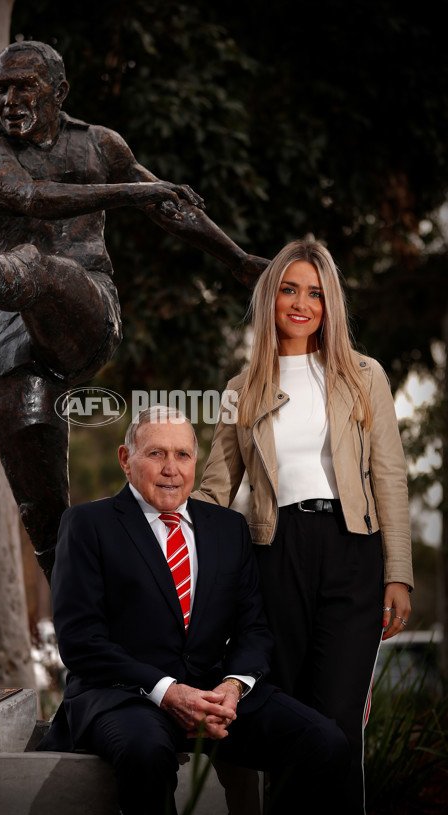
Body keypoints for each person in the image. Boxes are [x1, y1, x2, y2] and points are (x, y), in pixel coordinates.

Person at [0, 40, 268, 582]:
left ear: (59, 91)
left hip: (86, 310)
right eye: (0, 88)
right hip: (13, 335)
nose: (9, 99)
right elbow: (32, 198)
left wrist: (237, 260)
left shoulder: (98, 145)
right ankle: (85, 638)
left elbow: (166, 206)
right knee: (44, 522)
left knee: (42, 267)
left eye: (25, 86)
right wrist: (131, 193)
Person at [37, 405, 349, 815]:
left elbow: (253, 629)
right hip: (124, 697)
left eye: (182, 455)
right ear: (126, 459)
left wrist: (233, 687)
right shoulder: (87, 524)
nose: (171, 468)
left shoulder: (227, 527)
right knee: (145, 754)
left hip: (211, 694)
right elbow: (81, 642)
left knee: (325, 742)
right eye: (156, 454)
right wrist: (168, 692)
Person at [193, 239, 414, 814]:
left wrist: (399, 574)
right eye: (289, 288)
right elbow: (216, 487)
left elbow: (388, 475)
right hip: (274, 554)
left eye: (315, 292)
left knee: (339, 721)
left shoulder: (365, 376)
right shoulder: (240, 391)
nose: (301, 303)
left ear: (330, 303)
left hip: (352, 551)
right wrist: (156, 521)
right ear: (271, 297)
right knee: (288, 716)